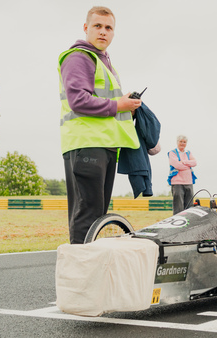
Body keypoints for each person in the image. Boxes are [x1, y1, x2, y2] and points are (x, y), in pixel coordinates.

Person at [58, 6, 141, 244]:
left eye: (108, 28)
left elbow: (106, 101)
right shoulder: (79, 57)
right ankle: (79, 278)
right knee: (88, 215)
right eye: (97, 26)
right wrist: (119, 105)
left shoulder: (105, 64)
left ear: (114, 33)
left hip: (104, 145)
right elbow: (78, 101)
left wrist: (127, 105)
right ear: (86, 28)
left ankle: (87, 275)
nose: (103, 32)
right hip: (86, 144)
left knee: (96, 216)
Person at [167, 135, 197, 214]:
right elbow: (177, 165)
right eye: (181, 141)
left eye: (184, 142)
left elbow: (194, 163)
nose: (182, 143)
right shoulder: (172, 153)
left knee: (189, 207)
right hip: (177, 183)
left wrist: (183, 162)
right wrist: (188, 164)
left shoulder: (188, 153)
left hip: (188, 182)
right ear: (177, 142)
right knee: (178, 207)